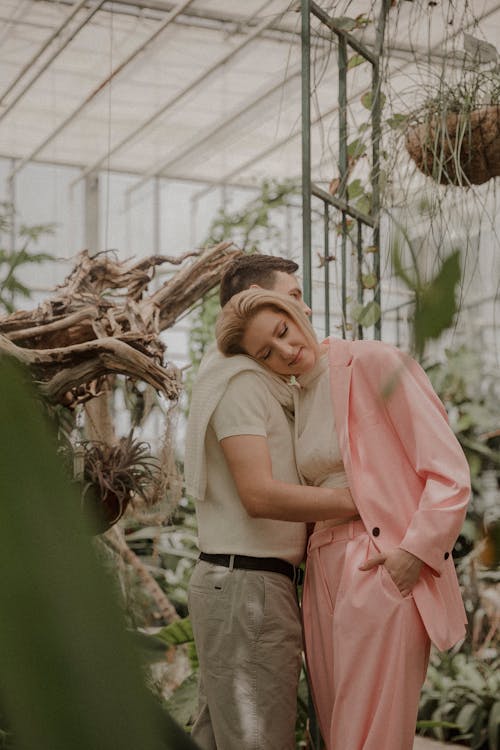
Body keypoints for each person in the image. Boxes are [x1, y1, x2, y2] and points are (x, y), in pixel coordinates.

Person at [216, 288, 471, 750]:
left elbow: (449, 472)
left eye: (282, 331)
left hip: (378, 562)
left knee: (372, 735)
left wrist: (412, 554)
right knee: (336, 732)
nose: (286, 351)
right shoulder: (296, 400)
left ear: (295, 313)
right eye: (267, 353)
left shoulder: (372, 362)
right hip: (322, 572)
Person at [184, 255, 357, 750]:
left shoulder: (257, 376)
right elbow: (257, 494)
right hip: (249, 588)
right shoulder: (239, 379)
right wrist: (356, 501)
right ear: (254, 299)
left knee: (221, 738)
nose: (303, 307)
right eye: (291, 297)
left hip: (244, 586)